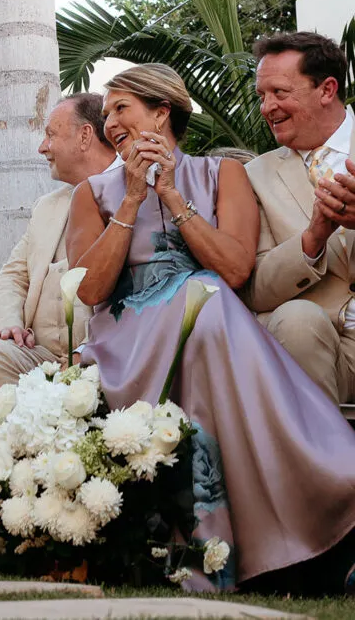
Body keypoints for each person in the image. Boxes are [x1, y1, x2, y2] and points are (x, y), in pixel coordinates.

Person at [66, 63, 355, 592]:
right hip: (125, 330)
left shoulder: (223, 174)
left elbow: (236, 267)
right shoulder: (91, 193)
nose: (109, 122)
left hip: (206, 313)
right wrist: (131, 198)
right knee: (212, 309)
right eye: (105, 113)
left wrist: (172, 195)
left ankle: (325, 497)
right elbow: (89, 289)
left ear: (161, 111)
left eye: (120, 108)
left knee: (213, 302)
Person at [0, 94, 118, 398]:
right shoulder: (46, 207)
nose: (42, 147)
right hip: (41, 358)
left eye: (50, 134)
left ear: (85, 135)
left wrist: (86, 352)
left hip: (108, 354)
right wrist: (9, 325)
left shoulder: (134, 191)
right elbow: (12, 276)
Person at [243, 32, 355, 404]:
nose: (266, 107)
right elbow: (254, 288)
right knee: (295, 318)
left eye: (279, 92)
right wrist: (313, 237)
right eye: (262, 96)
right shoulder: (253, 176)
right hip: (322, 347)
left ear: (326, 90)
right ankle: (323, 458)